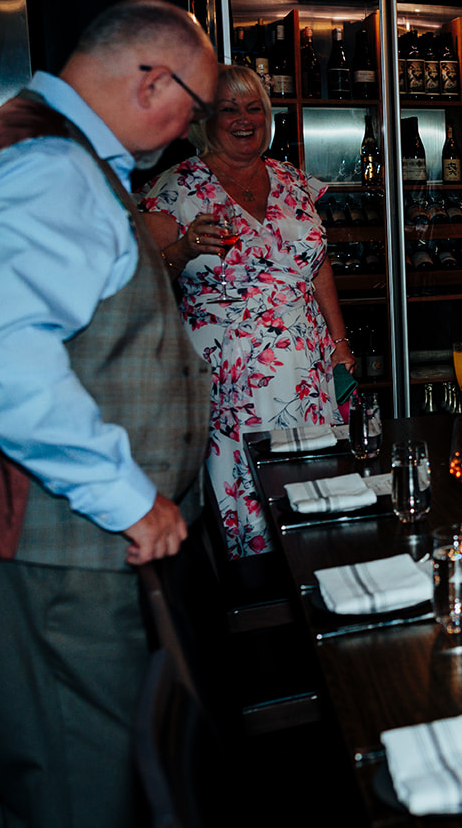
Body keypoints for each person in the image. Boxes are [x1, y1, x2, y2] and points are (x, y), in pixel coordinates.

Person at [0, 0, 216, 827]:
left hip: (81, 554)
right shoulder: (55, 166)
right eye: (191, 111)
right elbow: (4, 350)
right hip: (69, 560)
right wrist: (128, 496)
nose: (184, 134)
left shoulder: (53, 150)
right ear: (153, 79)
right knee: (85, 791)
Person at [140, 64, 354, 558]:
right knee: (244, 493)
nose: (244, 118)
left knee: (314, 485)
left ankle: (316, 573)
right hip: (228, 374)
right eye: (228, 108)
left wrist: (341, 346)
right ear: (203, 120)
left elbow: (317, 267)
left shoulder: (293, 181)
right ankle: (257, 599)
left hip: (307, 368)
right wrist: (186, 248)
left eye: (253, 107)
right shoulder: (176, 187)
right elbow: (144, 280)